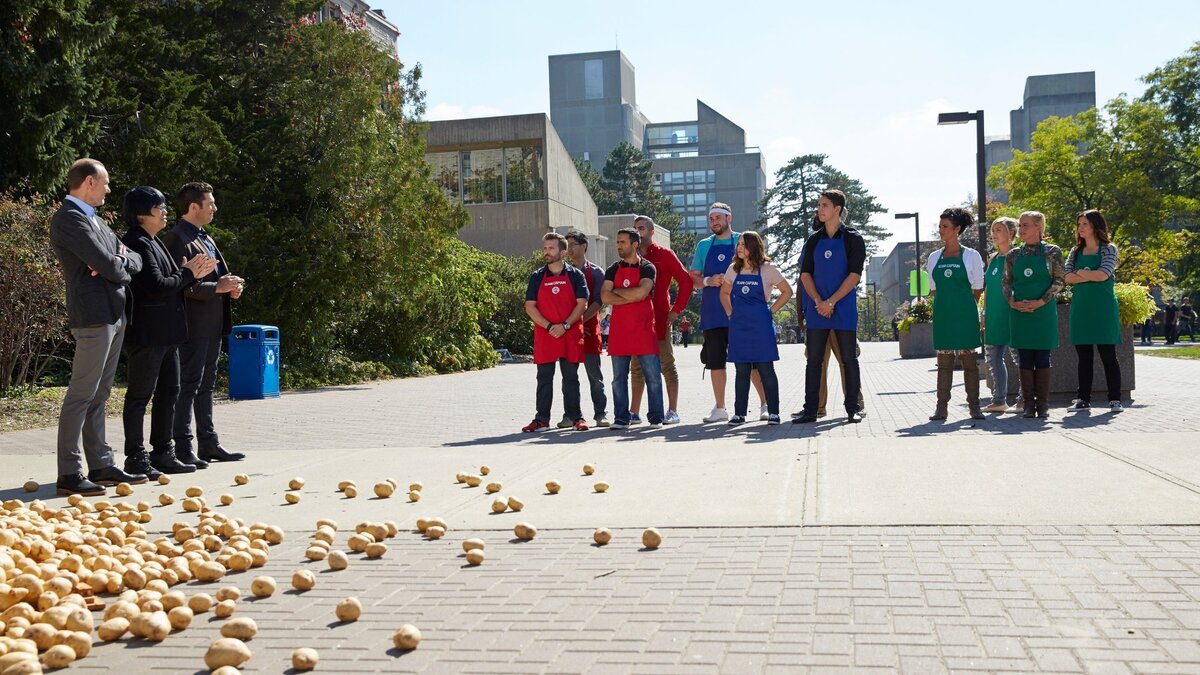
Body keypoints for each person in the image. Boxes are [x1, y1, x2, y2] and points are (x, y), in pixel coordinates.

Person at [48, 158, 147, 496]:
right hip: (92, 316)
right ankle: (69, 473)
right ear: (89, 182)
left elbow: (134, 258)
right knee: (81, 395)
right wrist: (114, 262)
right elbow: (111, 264)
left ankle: (101, 465)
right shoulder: (68, 219)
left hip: (113, 313)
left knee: (100, 394)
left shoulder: (96, 220)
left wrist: (115, 261)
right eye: (104, 183)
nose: (108, 189)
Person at [121, 187, 217, 477]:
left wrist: (187, 274)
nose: (164, 212)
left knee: (169, 393)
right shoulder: (136, 241)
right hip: (148, 335)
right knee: (140, 396)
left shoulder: (154, 241)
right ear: (141, 215)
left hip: (168, 334)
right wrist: (189, 273)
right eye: (157, 208)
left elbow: (171, 280)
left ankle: (163, 452)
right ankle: (136, 458)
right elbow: (156, 285)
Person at [162, 182, 245, 467]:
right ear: (193, 206)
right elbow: (180, 286)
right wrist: (215, 288)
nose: (215, 208)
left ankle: (208, 443)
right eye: (210, 203)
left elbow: (213, 277)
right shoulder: (176, 239)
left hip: (212, 323)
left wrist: (229, 287)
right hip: (191, 325)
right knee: (189, 385)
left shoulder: (205, 236)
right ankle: (183, 448)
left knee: (206, 385)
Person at [793, 189, 866, 424]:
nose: (820, 209)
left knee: (848, 360)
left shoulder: (853, 239)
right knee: (814, 361)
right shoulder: (813, 240)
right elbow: (805, 276)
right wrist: (818, 302)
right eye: (819, 205)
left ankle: (853, 408)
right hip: (817, 311)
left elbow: (854, 275)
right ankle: (811, 410)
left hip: (843, 310)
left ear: (838, 209)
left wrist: (832, 302)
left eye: (825, 205)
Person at [689, 202, 766, 423]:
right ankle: (720, 408)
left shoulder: (744, 240)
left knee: (750, 360)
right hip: (713, 312)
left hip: (741, 312)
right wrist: (708, 280)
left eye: (718, 218)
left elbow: (759, 269)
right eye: (711, 218)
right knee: (715, 362)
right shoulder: (704, 246)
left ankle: (764, 404)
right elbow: (692, 278)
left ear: (728, 218)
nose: (714, 222)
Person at [720, 231, 792, 425]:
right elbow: (724, 292)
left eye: (743, 244)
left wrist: (772, 310)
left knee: (766, 369)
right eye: (739, 244)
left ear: (754, 247)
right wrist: (729, 313)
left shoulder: (768, 269)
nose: (739, 247)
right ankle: (739, 414)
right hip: (739, 326)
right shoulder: (733, 269)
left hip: (761, 326)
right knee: (741, 370)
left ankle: (774, 412)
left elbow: (787, 291)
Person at [521, 233, 590, 432]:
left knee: (570, 378)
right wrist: (550, 326)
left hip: (570, 333)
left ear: (563, 252)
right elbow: (530, 307)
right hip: (546, 334)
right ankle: (541, 419)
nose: (546, 252)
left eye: (551, 248)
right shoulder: (536, 277)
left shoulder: (576, 275)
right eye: (545, 248)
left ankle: (576, 417)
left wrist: (565, 325)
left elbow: (582, 304)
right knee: (544, 378)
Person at [628, 215, 693, 425]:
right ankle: (634, 412)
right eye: (635, 228)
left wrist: (675, 311)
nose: (638, 232)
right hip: (636, 322)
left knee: (667, 365)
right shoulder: (629, 256)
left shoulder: (665, 255)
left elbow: (686, 282)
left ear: (651, 231)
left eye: (642, 228)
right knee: (636, 367)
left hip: (660, 319)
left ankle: (672, 411)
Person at [1003, 211, 1065, 419]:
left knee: (1042, 357)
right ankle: (1029, 404)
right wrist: (1012, 301)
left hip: (1043, 313)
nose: (1021, 229)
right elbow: (1006, 282)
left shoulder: (1052, 252)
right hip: (1020, 313)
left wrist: (1040, 302)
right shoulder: (1013, 255)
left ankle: (1044, 404)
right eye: (1020, 225)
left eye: (1026, 225)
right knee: (1024, 358)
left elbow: (1059, 280)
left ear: (1039, 227)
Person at [926, 208, 986, 421]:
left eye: (945, 227)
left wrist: (967, 308)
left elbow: (978, 288)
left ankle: (975, 407)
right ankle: (941, 407)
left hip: (965, 316)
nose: (940, 230)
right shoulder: (934, 258)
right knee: (944, 364)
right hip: (943, 316)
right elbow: (933, 289)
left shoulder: (971, 256)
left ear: (957, 229)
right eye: (940, 226)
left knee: (970, 364)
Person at [602, 227, 664, 429]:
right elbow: (604, 296)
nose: (619, 245)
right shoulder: (612, 268)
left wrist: (618, 293)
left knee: (653, 377)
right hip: (619, 332)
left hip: (644, 330)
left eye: (623, 242)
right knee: (618, 378)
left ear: (635, 244)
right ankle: (621, 418)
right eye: (618, 242)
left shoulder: (648, 267)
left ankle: (656, 418)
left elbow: (642, 293)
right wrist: (631, 293)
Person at [1065, 209, 1123, 412]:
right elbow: (1066, 277)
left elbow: (1104, 274)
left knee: (1109, 356)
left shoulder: (1109, 249)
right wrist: (1088, 273)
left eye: (1085, 224)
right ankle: (1083, 399)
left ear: (1095, 226)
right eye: (1079, 224)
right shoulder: (1075, 251)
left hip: (1104, 310)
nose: (1080, 228)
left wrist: (1080, 273)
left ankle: (1115, 399)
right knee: (1084, 358)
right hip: (1081, 310)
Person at [562, 231, 609, 427]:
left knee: (594, 376)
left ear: (584, 246)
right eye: (567, 245)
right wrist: (571, 325)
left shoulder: (597, 272)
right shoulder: (563, 272)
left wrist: (580, 321)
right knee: (569, 377)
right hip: (568, 331)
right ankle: (571, 415)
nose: (570, 249)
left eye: (573, 244)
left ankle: (601, 414)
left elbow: (599, 301)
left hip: (589, 330)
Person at [981, 217, 1018, 413]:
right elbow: (988, 289)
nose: (994, 233)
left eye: (999, 230)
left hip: (1012, 313)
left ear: (1011, 233)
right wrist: (984, 311)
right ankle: (999, 400)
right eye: (993, 230)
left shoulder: (1017, 256)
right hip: (994, 314)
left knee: (1019, 358)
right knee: (993, 359)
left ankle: (1023, 399)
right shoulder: (993, 258)